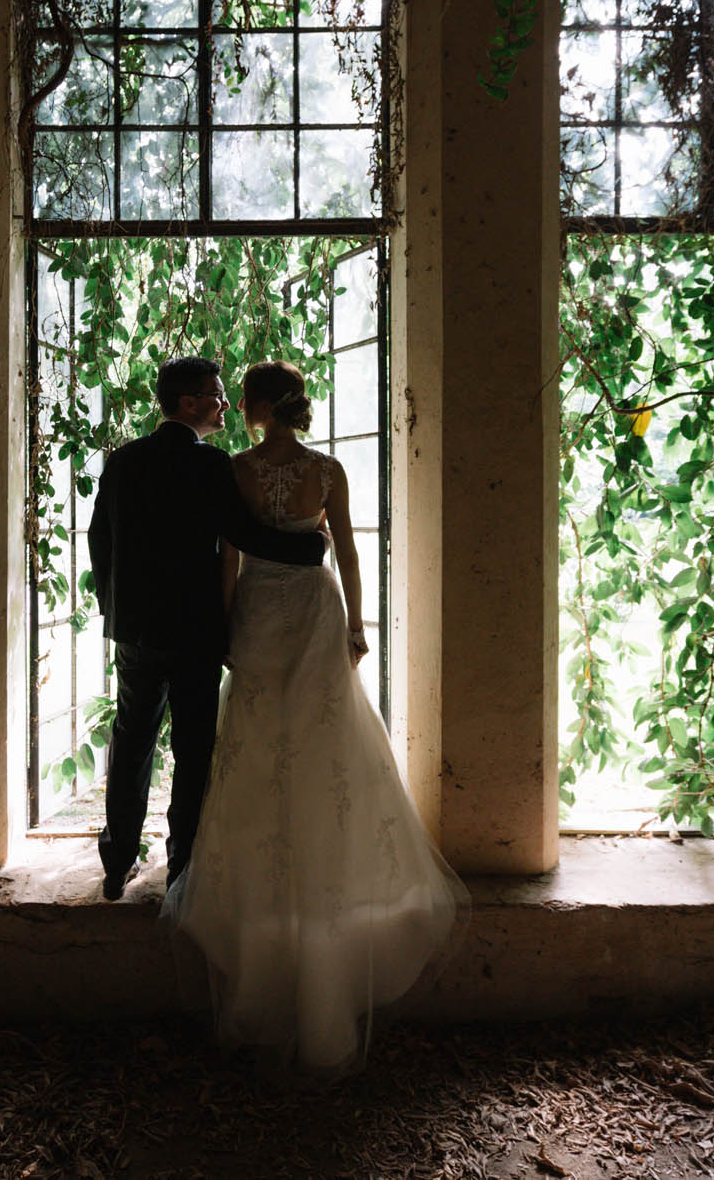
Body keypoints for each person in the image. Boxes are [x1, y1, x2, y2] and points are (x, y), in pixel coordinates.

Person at [163, 360, 468, 1077]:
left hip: (264, 614)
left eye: (241, 396)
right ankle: (323, 904)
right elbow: (351, 553)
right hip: (314, 608)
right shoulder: (328, 470)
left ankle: (266, 931)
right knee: (323, 749)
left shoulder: (235, 468)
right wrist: (356, 624)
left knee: (259, 750)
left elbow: (228, 558)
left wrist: (230, 624)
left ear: (257, 404)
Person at [87, 356, 327, 902]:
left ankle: (117, 861)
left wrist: (114, 606)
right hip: (195, 633)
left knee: (132, 743)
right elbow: (242, 534)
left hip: (137, 631)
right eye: (216, 394)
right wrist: (310, 547)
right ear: (190, 402)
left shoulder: (123, 461)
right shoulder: (211, 465)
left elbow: (99, 540)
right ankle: (181, 870)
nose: (225, 403)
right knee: (194, 749)